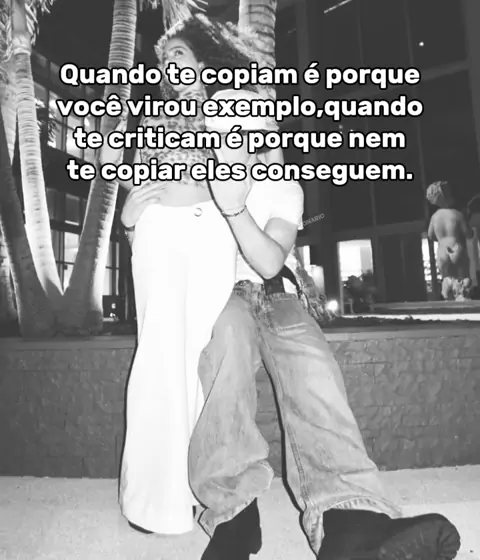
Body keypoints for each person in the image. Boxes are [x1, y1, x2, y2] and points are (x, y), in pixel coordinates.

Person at [184, 90, 461, 560]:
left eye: (247, 127)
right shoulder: (197, 183)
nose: (236, 137)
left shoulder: (282, 187)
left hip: (277, 295)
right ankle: (233, 518)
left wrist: (234, 207)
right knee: (225, 351)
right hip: (221, 296)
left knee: (314, 370)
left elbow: (270, 261)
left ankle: (352, 523)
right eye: (224, 128)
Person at [100, 15, 262, 535]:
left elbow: (249, 172)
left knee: (199, 357)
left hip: (213, 231)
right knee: (158, 354)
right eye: (165, 58)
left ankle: (201, 490)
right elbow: (136, 181)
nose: (171, 63)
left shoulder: (229, 109)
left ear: (201, 63)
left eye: (180, 54)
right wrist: (129, 218)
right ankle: (152, 502)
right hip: (159, 229)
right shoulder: (153, 116)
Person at [427, 180, 473, 301]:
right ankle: (463, 301)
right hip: (457, 248)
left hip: (442, 251)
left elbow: (430, 236)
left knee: (447, 279)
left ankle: (448, 301)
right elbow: (469, 234)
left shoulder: (435, 217)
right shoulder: (457, 214)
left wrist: (442, 239)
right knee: (463, 279)